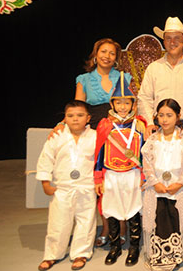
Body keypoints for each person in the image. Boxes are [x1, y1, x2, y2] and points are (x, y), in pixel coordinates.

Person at [137, 17, 183, 248]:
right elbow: (143, 98)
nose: (172, 42)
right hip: (160, 131)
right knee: (161, 177)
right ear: (163, 41)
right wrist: (150, 122)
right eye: (168, 38)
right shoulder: (153, 68)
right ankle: (167, 225)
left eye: (176, 38)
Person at [51, 38, 131, 247]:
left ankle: (122, 227)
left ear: (116, 58)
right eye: (103, 52)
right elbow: (79, 107)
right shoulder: (84, 79)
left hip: (119, 134)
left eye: (112, 53)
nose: (107, 56)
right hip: (95, 135)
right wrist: (62, 123)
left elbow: (132, 105)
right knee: (101, 184)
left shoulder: (124, 77)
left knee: (119, 182)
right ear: (95, 55)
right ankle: (106, 227)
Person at [36, 100, 97, 271]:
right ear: (64, 118)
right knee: (58, 222)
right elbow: (46, 159)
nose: (75, 119)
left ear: (88, 118)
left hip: (86, 185)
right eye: (70, 116)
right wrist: (45, 182)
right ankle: (52, 254)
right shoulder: (56, 136)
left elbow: (100, 161)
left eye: (80, 115)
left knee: (86, 221)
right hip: (62, 187)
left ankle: (81, 253)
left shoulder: (95, 136)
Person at [94, 72, 147, 266]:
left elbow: (144, 154)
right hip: (111, 175)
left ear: (133, 105)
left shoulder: (140, 125)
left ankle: (134, 247)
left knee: (134, 209)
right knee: (112, 209)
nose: (123, 107)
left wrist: (144, 176)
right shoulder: (105, 125)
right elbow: (99, 153)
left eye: (127, 103)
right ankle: (115, 247)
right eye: (119, 103)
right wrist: (98, 178)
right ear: (112, 105)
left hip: (133, 174)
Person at [141, 99, 183, 271]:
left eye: (169, 115)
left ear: (178, 117)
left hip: (176, 187)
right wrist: (154, 182)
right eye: (161, 115)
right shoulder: (152, 140)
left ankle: (175, 253)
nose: (164, 119)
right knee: (158, 217)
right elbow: (147, 163)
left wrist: (180, 182)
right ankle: (157, 254)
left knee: (175, 217)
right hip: (157, 187)